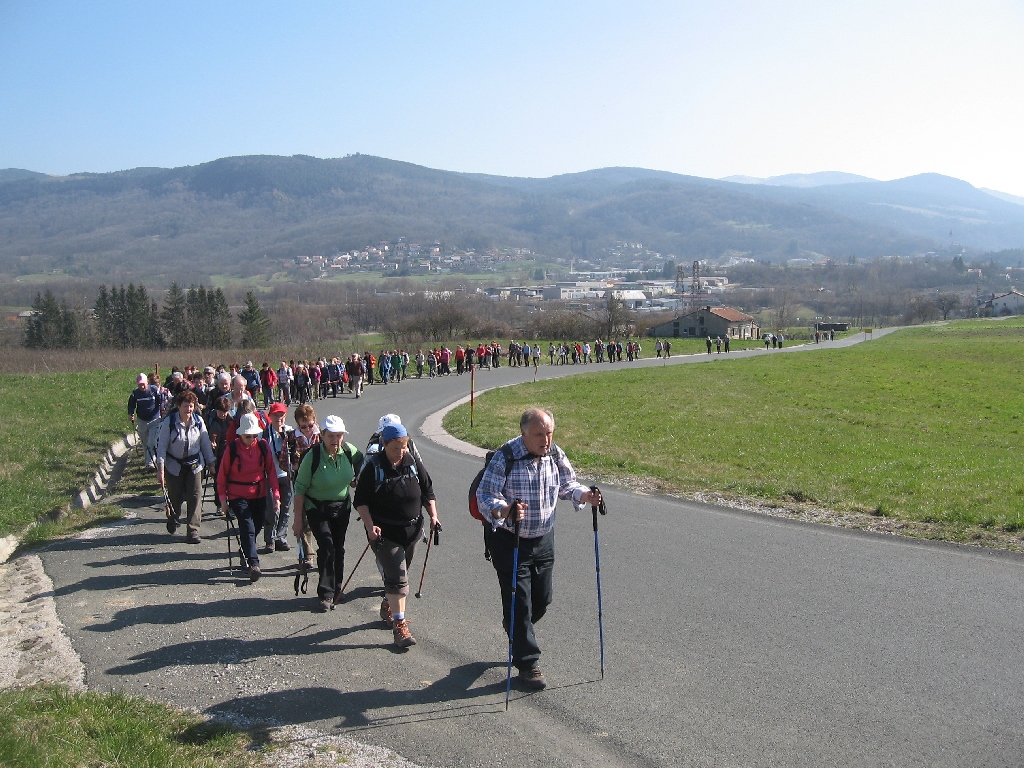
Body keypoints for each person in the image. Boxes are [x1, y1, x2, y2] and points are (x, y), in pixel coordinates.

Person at [475, 408, 602, 690]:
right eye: (539, 435)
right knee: (520, 602)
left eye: (549, 433)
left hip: (543, 538)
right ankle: (527, 663)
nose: (546, 440)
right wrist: (505, 510)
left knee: (542, 600)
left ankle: (516, 628)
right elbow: (485, 495)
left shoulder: (554, 453)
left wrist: (585, 495)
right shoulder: (505, 456)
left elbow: (567, 484)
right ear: (523, 434)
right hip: (510, 540)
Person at [354, 423, 439, 648]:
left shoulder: (413, 463)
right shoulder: (374, 467)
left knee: (400, 574)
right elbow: (360, 502)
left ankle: (387, 604)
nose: (401, 451)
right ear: (384, 444)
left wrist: (433, 516)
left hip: (412, 532)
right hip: (385, 534)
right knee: (398, 578)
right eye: (395, 447)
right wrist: (370, 526)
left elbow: (428, 492)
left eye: (404, 446)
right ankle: (400, 627)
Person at [292, 416, 363, 612]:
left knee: (338, 548)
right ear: (322, 435)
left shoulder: (348, 451)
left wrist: (357, 477)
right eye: (331, 435)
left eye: (339, 435)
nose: (335, 440)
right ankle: (325, 593)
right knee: (327, 546)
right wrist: (298, 520)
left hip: (341, 507)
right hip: (316, 508)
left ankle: (337, 589)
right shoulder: (312, 456)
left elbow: (364, 462)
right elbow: (299, 488)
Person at [217, 412, 281, 582]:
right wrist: (223, 500)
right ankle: (254, 564)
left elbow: (271, 472)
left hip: (259, 493)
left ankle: (245, 551)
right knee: (247, 526)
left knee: (258, 525)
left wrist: (276, 495)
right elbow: (222, 476)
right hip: (237, 495)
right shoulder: (232, 449)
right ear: (240, 434)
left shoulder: (263, 446)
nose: (251, 439)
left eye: (254, 435)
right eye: (248, 436)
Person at [156, 390, 216, 543]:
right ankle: (173, 517)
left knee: (195, 497)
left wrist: (211, 464)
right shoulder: (169, 423)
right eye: (185, 406)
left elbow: (205, 444)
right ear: (178, 406)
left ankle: (193, 530)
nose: (188, 409)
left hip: (195, 465)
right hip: (173, 466)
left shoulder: (198, 421)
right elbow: (161, 447)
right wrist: (160, 469)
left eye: (191, 406)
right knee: (175, 498)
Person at [261, 403, 295, 553]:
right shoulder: (264, 434)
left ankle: (281, 537)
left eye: (281, 415)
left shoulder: (290, 432)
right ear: (270, 416)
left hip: (287, 476)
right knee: (272, 510)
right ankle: (270, 539)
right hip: (270, 476)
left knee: (285, 509)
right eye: (275, 415)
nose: (279, 418)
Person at [128, 372, 163, 469]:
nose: (142, 386)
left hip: (154, 419)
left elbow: (161, 400)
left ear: (147, 382)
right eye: (140, 384)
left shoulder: (154, 390)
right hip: (142, 420)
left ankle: (150, 463)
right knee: (145, 442)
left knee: (152, 442)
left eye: (143, 384)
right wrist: (131, 414)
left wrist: (162, 409)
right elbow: (131, 404)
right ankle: (148, 460)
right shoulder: (135, 392)